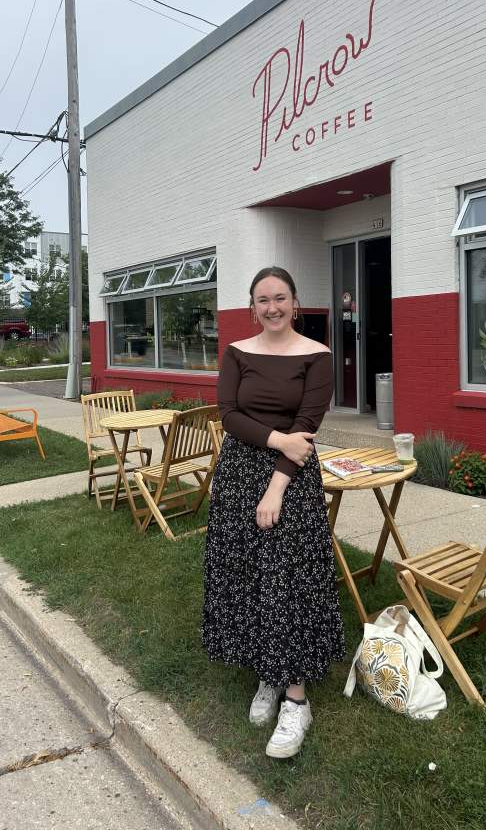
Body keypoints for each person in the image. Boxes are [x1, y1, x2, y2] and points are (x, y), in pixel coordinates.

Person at [202, 266, 345, 759]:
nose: (272, 307)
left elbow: (306, 426)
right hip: (240, 473)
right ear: (252, 306)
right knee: (249, 575)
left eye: (280, 297)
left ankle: (296, 699)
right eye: (262, 300)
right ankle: (269, 672)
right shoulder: (238, 353)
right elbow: (229, 414)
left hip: (291, 478)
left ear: (295, 301)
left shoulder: (318, 356)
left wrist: (276, 488)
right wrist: (274, 436)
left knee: (287, 580)